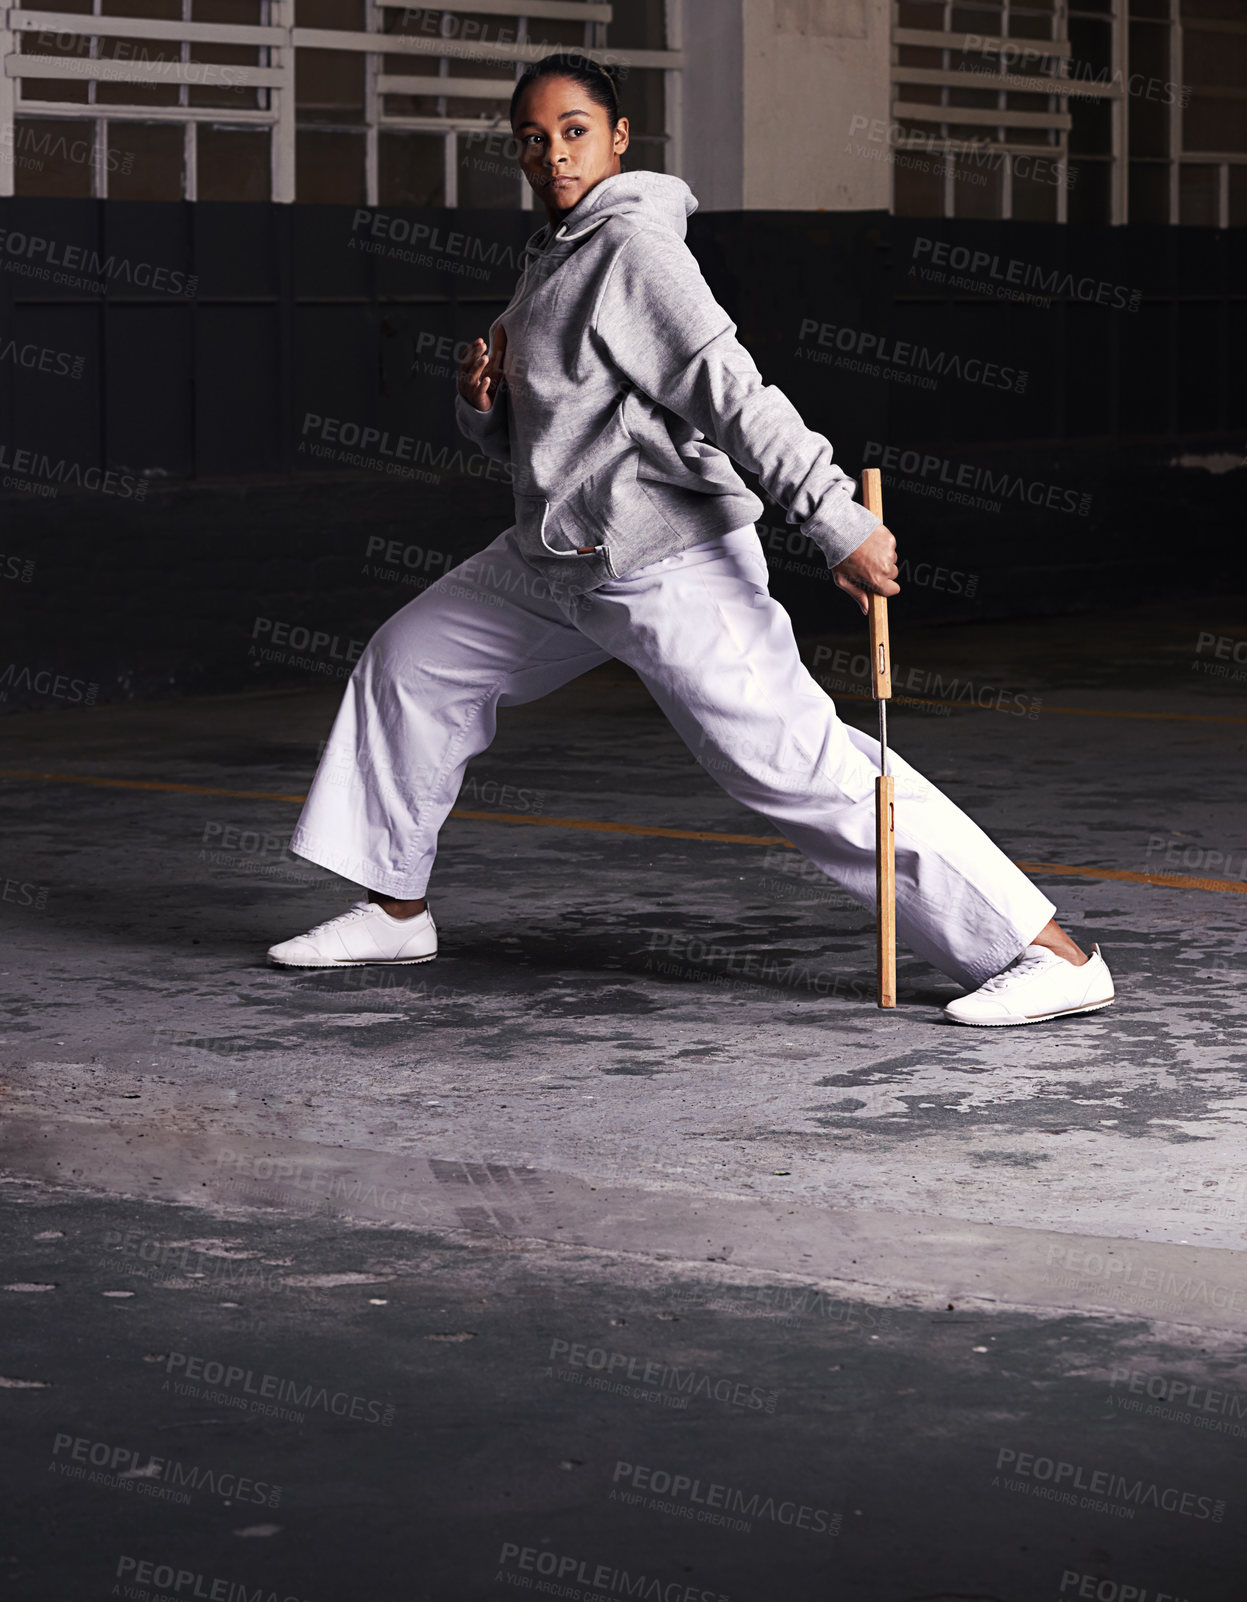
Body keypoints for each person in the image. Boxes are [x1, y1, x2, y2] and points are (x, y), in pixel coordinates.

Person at [268, 51, 1115, 1028]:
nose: (553, 155)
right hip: (556, 560)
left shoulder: (632, 251)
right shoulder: (553, 252)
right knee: (412, 662)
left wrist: (833, 519)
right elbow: (551, 428)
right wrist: (479, 404)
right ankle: (395, 908)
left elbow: (730, 390)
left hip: (664, 559)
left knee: (796, 769)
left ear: (619, 139)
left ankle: (1045, 952)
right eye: (533, 140)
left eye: (574, 131)